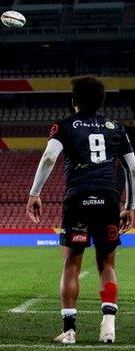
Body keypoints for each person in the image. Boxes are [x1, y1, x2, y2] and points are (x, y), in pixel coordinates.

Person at [26, 76, 135, 345]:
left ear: (73, 101)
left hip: (78, 200)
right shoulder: (116, 127)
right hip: (109, 199)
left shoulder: (64, 126)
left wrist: (35, 193)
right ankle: (108, 327)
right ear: (101, 101)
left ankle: (70, 330)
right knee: (107, 264)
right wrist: (130, 205)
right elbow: (132, 168)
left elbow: (50, 157)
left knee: (71, 264)